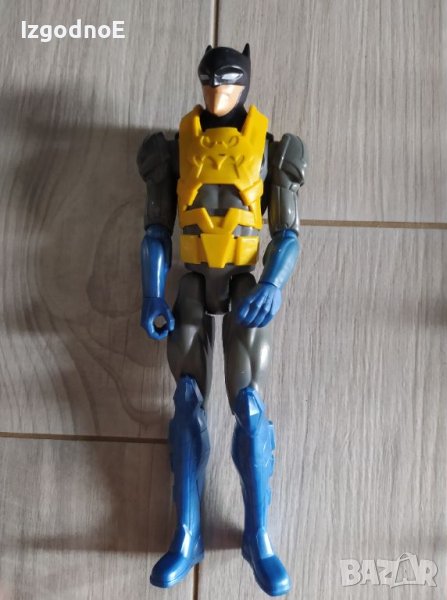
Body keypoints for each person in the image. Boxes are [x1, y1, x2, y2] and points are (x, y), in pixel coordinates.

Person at [137, 44, 307, 596]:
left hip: (243, 283)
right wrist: (151, 295)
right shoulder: (172, 148)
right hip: (190, 280)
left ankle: (259, 537)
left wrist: (274, 284)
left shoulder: (275, 150)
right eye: (210, 82)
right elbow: (156, 231)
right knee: (187, 400)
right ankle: (187, 534)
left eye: (229, 82)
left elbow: (287, 234)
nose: (218, 93)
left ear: (245, 84)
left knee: (248, 405)